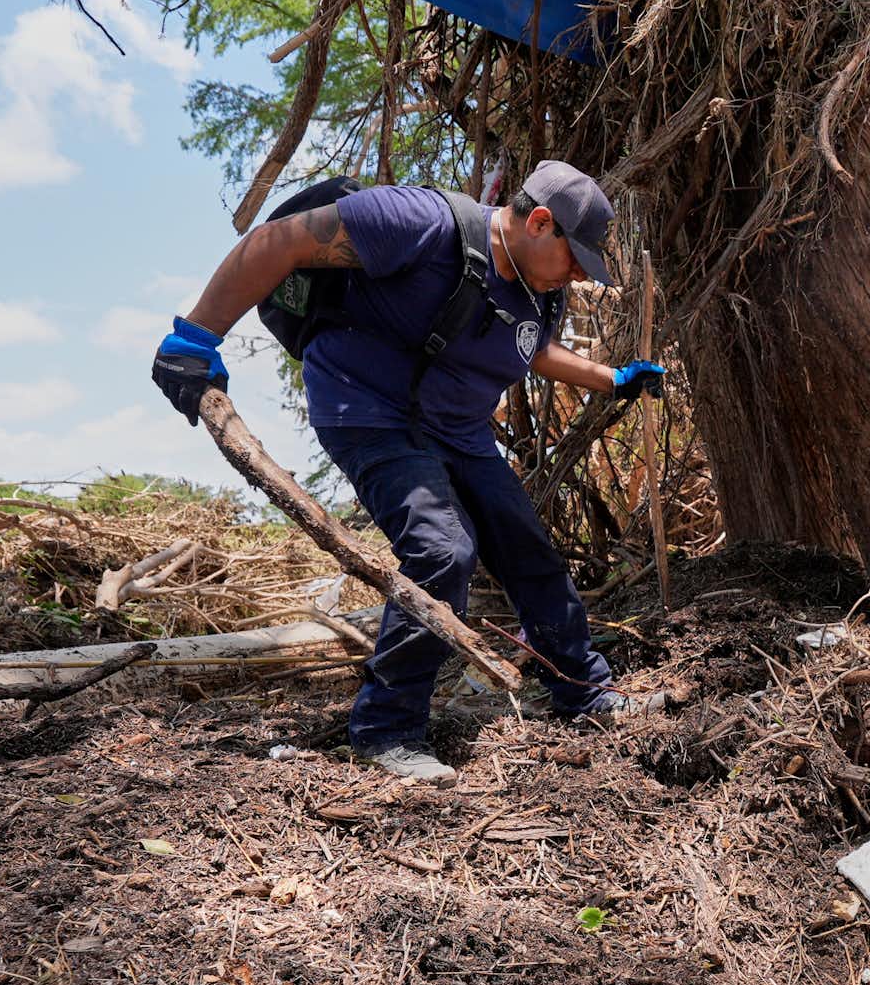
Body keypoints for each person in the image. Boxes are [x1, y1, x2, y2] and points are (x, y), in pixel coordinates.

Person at [148, 160, 667, 783]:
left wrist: (610, 378)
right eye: (577, 256)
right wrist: (196, 336)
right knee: (442, 550)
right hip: (367, 410)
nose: (582, 274)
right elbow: (276, 242)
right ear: (538, 222)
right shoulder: (418, 221)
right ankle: (385, 730)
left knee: (527, 549)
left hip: (458, 428)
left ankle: (584, 693)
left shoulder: (537, 288)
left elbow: (533, 348)